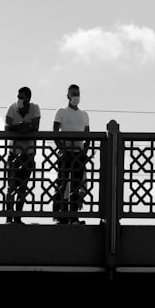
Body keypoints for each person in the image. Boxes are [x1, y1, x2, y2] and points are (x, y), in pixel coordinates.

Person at [52, 84, 90, 225]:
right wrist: (62, 149)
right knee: (62, 184)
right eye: (73, 93)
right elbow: (55, 132)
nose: (76, 96)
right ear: (68, 96)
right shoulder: (61, 111)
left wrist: (84, 151)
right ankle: (60, 216)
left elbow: (88, 136)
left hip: (78, 155)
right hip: (66, 154)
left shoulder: (84, 114)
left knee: (76, 185)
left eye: (78, 93)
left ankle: (73, 216)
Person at [4, 87, 41, 224]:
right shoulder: (12, 108)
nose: (19, 99)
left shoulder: (35, 108)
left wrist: (19, 127)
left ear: (28, 99)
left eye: (22, 97)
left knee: (23, 187)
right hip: (14, 153)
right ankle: (9, 217)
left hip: (28, 154)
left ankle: (18, 216)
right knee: (11, 186)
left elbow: (35, 127)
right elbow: (7, 128)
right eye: (18, 96)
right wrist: (23, 126)